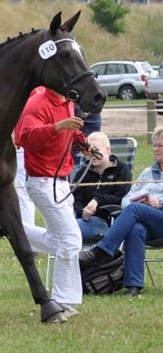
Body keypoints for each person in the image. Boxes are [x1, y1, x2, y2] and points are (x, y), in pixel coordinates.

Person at [15, 86, 88, 319]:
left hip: (62, 180)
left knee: (58, 240)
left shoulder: (67, 101)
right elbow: (23, 138)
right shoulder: (36, 104)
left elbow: (72, 129)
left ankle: (13, 229)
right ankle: (61, 302)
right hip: (42, 182)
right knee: (71, 238)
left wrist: (83, 143)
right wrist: (57, 127)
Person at [79, 126, 163, 296]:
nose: (156, 149)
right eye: (154, 145)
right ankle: (133, 286)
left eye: (160, 146)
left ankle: (102, 251)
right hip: (149, 222)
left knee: (136, 209)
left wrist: (158, 202)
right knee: (135, 228)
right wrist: (139, 201)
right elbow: (126, 198)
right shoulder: (147, 173)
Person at [73, 132, 131, 240]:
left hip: (105, 220)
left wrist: (97, 200)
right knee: (63, 221)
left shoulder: (121, 169)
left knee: (66, 231)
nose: (92, 154)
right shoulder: (84, 171)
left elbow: (121, 198)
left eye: (96, 150)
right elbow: (76, 198)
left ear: (108, 149)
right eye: (89, 150)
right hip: (80, 217)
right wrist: (82, 211)